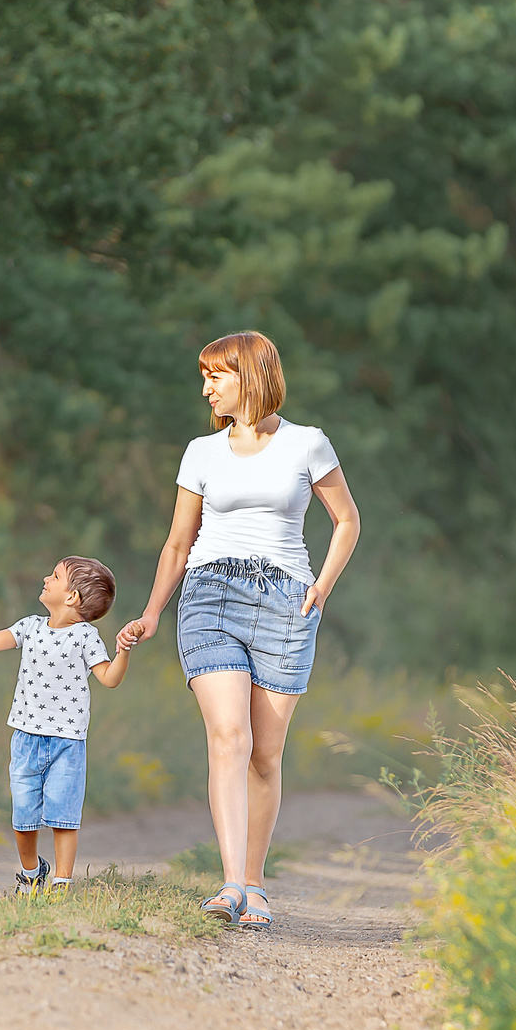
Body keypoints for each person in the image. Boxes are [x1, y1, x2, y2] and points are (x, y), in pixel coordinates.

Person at [116, 331, 360, 932]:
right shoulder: (201, 451)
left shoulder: (308, 444)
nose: (206, 387)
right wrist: (151, 611)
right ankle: (230, 886)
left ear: (249, 376)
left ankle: (254, 881)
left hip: (287, 599)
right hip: (210, 593)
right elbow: (178, 543)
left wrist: (321, 587)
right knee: (229, 736)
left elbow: (347, 520)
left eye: (215, 375)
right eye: (204, 376)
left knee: (265, 755)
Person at [0, 556, 136, 896]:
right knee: (23, 815)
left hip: (67, 742)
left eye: (55, 576)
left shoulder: (85, 637)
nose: (45, 578)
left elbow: (108, 678)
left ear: (72, 598)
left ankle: (62, 882)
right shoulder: (30, 626)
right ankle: (31, 871)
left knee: (64, 817)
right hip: (25, 737)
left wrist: (123, 651)